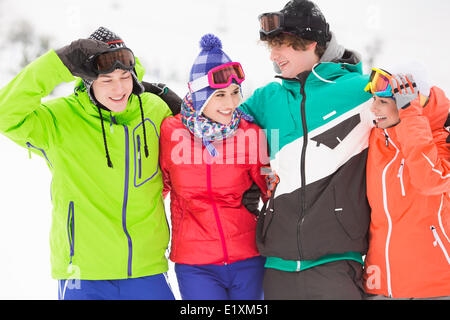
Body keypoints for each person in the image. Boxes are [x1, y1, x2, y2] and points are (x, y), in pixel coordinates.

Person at [0, 26, 177, 300]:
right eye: (106, 80)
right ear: (87, 81)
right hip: (83, 272)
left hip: (146, 268)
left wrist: (181, 107)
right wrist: (59, 62)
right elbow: (5, 114)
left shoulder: (154, 109)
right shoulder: (59, 119)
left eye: (124, 77)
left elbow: (207, 137)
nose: (119, 89)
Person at [238, 0, 374, 299]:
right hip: (277, 263)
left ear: (311, 43)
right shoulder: (265, 98)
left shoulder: (361, 91)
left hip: (337, 261)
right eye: (271, 47)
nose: (273, 55)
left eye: (282, 45)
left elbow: (424, 112)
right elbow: (214, 123)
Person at [159, 34, 269, 300]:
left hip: (248, 258)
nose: (231, 104)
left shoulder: (250, 133)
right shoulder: (171, 132)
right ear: (198, 97)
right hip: (195, 264)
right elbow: (153, 189)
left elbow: (273, 189)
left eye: (234, 93)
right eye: (219, 95)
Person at [363, 67, 450, 299]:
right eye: (374, 100)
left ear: (411, 103)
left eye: (382, 101)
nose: (374, 108)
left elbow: (430, 180)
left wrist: (411, 117)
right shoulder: (378, 139)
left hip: (436, 285)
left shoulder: (444, 140)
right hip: (380, 283)